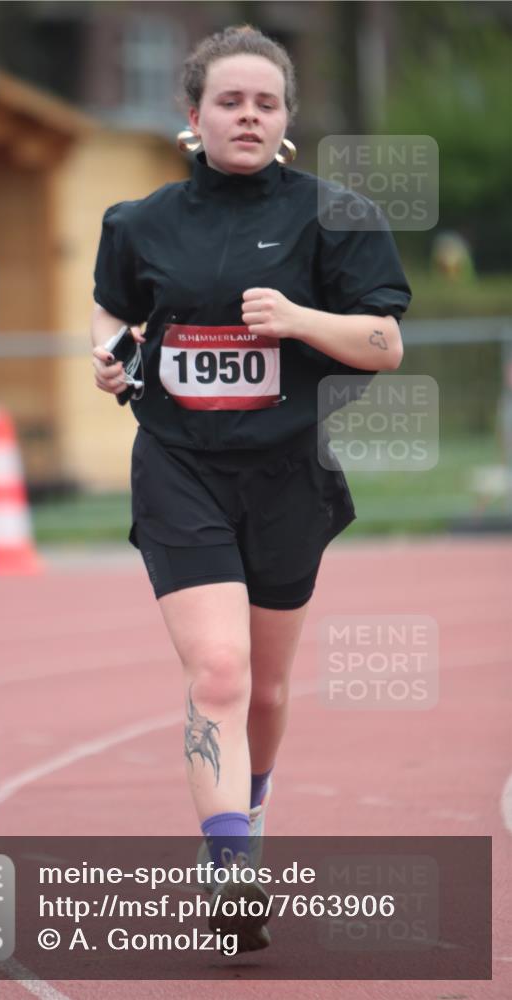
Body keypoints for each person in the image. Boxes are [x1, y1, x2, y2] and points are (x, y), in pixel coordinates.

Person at [91, 24, 411, 953]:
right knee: (220, 671)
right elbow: (114, 309)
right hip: (179, 466)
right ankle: (229, 866)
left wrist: (301, 319)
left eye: (265, 103)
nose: (247, 116)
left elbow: (385, 345)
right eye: (229, 101)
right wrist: (108, 358)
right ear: (192, 116)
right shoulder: (138, 222)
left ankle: (250, 811)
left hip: (286, 476)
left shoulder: (334, 216)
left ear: (286, 120)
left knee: (265, 688)